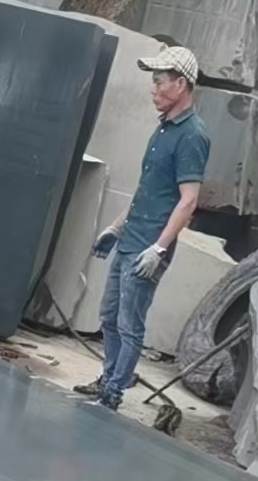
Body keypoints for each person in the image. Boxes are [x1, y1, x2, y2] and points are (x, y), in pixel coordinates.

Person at [74, 45, 210, 412]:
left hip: (148, 246)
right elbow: (147, 189)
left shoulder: (192, 135)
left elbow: (188, 201)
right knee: (109, 316)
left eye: (159, 81)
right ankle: (109, 377)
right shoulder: (163, 128)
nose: (153, 89)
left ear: (180, 84)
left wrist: (159, 248)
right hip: (131, 238)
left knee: (129, 324)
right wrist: (115, 227)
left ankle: (113, 393)